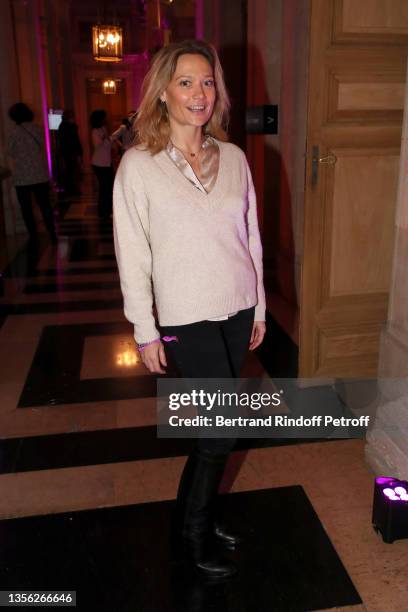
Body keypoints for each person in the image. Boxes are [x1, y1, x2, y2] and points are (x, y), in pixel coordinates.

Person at [113, 39, 266, 580]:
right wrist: (144, 331)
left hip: (237, 308)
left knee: (215, 428)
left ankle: (194, 519)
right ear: (162, 93)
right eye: (186, 82)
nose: (199, 93)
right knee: (220, 431)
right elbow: (133, 254)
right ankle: (192, 537)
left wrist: (261, 308)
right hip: (183, 317)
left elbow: (250, 238)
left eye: (207, 82)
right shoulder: (138, 166)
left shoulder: (237, 158)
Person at [7, 102, 57, 243]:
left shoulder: (14, 133)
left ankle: (33, 236)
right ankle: (52, 233)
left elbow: (10, 152)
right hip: (39, 174)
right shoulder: (38, 129)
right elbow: (45, 147)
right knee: (45, 205)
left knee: (26, 208)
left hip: (22, 177)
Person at [90, 109, 113, 219]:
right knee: (104, 189)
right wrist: (104, 136)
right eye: (104, 117)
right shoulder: (95, 131)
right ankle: (102, 212)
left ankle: (108, 211)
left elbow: (108, 142)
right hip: (99, 164)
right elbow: (97, 144)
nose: (106, 119)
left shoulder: (103, 129)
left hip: (107, 163)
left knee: (108, 188)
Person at [57, 110, 83, 196]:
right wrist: (79, 152)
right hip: (70, 152)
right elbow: (74, 140)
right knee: (71, 171)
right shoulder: (69, 126)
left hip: (68, 152)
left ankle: (70, 189)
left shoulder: (63, 126)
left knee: (70, 171)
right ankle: (71, 189)